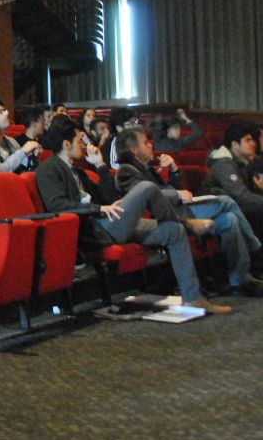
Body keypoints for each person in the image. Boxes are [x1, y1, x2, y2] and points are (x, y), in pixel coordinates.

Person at [35, 115, 231, 314]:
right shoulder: (47, 170)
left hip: (109, 221)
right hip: (93, 230)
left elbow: (109, 195)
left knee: (174, 231)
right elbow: (57, 205)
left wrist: (100, 165)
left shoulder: (79, 171)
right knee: (146, 187)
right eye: (79, 141)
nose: (84, 146)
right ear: (66, 144)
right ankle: (189, 224)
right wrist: (99, 209)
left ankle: (193, 298)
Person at [115, 127, 263, 296]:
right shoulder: (126, 171)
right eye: (145, 142)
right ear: (134, 149)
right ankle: (255, 247)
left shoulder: (146, 169)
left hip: (178, 211)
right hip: (163, 219)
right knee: (226, 201)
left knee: (230, 220)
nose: (151, 145)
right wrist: (177, 194)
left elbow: (171, 192)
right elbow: (147, 196)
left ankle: (240, 278)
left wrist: (174, 170)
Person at [204, 123, 263, 240]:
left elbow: (256, 191)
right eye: (248, 140)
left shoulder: (242, 162)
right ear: (235, 144)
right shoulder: (224, 164)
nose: (253, 143)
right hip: (219, 210)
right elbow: (241, 196)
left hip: (237, 205)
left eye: (252, 140)